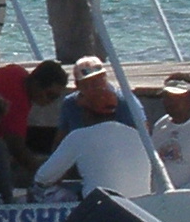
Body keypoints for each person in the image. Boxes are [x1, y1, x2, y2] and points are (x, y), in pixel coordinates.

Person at [32, 55, 164, 197]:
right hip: (130, 195)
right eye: (90, 83)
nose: (97, 86)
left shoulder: (125, 102)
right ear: (78, 85)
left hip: (105, 192)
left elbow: (42, 178)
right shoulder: (70, 104)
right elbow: (59, 140)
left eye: (99, 79)